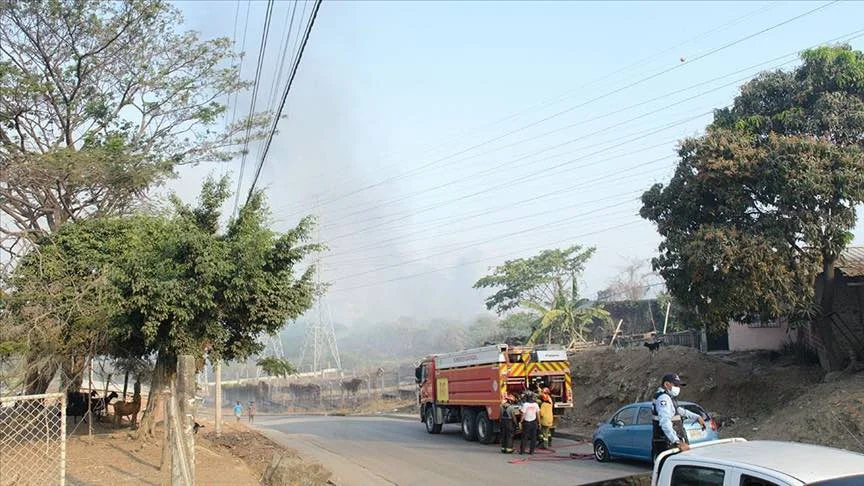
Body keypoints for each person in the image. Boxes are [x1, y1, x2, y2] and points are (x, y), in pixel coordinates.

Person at [652, 373, 705, 460]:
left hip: (669, 442)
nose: (678, 388)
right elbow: (665, 422)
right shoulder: (663, 398)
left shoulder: (668, 397)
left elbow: (678, 411)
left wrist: (696, 417)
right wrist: (677, 442)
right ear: (666, 384)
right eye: (676, 385)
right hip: (667, 443)